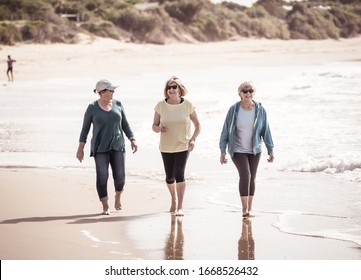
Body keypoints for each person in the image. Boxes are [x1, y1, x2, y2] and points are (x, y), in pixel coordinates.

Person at [76, 79, 138, 215]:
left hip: (118, 145)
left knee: (120, 176)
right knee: (102, 176)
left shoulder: (118, 104)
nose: (113, 92)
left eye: (113, 90)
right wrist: (81, 148)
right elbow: (85, 129)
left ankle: (118, 196)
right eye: (111, 90)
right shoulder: (92, 108)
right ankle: (105, 205)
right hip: (100, 148)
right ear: (102, 92)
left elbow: (125, 125)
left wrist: (132, 139)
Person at [219, 81, 274, 218]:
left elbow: (266, 131)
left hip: (255, 150)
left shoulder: (260, 110)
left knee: (252, 178)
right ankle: (244, 209)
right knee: (246, 175)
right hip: (237, 149)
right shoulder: (234, 109)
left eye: (250, 91)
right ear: (240, 94)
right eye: (245, 91)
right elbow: (225, 130)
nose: (248, 94)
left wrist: (270, 149)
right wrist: (222, 150)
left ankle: (250, 208)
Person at [152, 76, 201, 216]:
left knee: (179, 174)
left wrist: (193, 140)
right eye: (169, 87)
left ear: (180, 89)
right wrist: (159, 129)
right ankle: (173, 198)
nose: (171, 90)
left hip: (182, 145)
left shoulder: (188, 105)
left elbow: (198, 125)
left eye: (174, 87)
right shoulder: (161, 105)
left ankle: (180, 206)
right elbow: (154, 126)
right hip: (166, 146)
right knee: (169, 177)